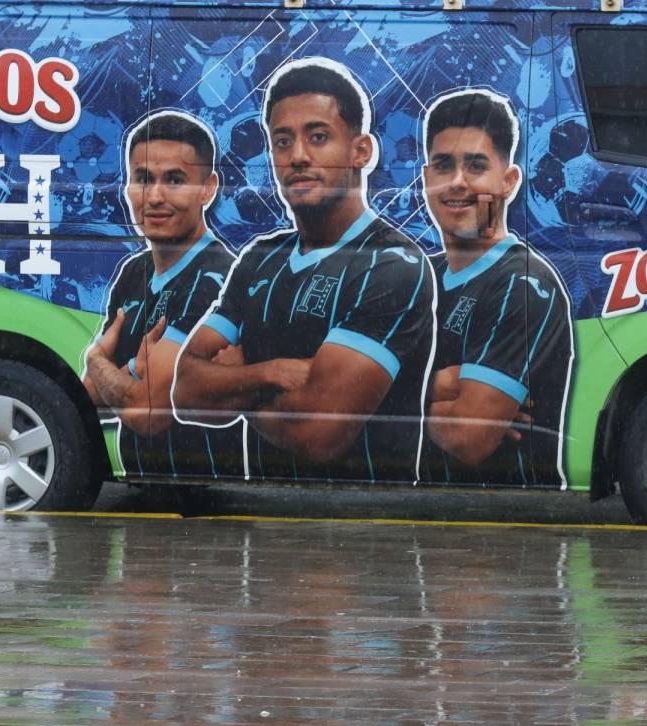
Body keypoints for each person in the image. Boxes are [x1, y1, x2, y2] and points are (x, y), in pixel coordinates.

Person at [173, 59, 435, 483]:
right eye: (282, 141)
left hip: (370, 527)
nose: (297, 156)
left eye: (318, 137)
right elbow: (183, 392)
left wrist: (231, 385)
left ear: (361, 151)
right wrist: (268, 374)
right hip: (261, 526)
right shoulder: (261, 257)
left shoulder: (389, 264)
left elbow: (317, 433)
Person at [419, 90, 574, 488]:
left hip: (501, 526)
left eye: (475, 165)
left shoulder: (522, 285)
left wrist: (383, 397)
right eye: (443, 165)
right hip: (426, 523)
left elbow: (468, 438)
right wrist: (440, 388)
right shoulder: (417, 279)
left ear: (508, 182)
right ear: (425, 180)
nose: (457, 182)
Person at [84, 110, 243, 479]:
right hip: (144, 488)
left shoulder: (217, 278)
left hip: (203, 493)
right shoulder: (133, 273)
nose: (155, 196)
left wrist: (99, 361)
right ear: (126, 187)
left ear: (209, 187)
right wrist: (123, 371)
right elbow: (88, 396)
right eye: (143, 178)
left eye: (174, 180)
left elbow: (146, 412)